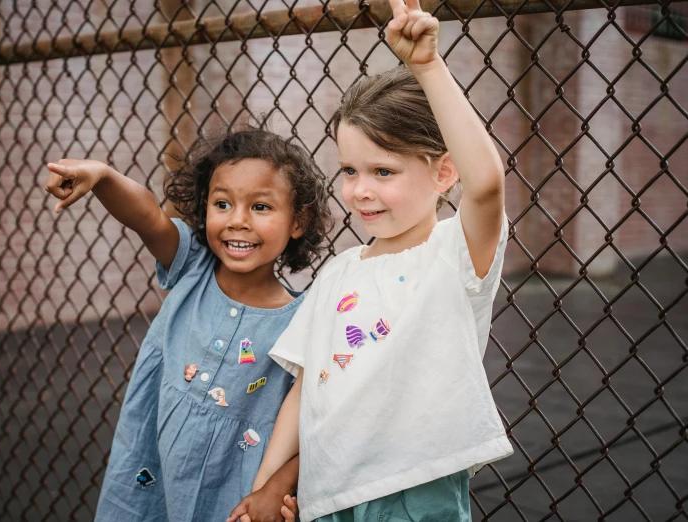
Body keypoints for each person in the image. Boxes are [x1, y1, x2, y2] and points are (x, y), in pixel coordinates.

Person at [230, 1, 513, 520]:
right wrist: (265, 487)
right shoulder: (339, 272)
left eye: (383, 171)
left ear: (444, 172)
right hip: (326, 492)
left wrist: (427, 67)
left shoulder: (453, 255)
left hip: (416, 490)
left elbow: (489, 182)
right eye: (349, 170)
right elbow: (302, 391)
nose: (360, 190)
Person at [44, 127, 332, 521]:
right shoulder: (192, 265)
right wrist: (104, 177)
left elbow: (313, 424)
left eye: (261, 207)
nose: (238, 221)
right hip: (149, 470)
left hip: (231, 490)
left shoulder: (301, 322)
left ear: (297, 221)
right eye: (222, 204)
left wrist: (278, 485)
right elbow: (147, 216)